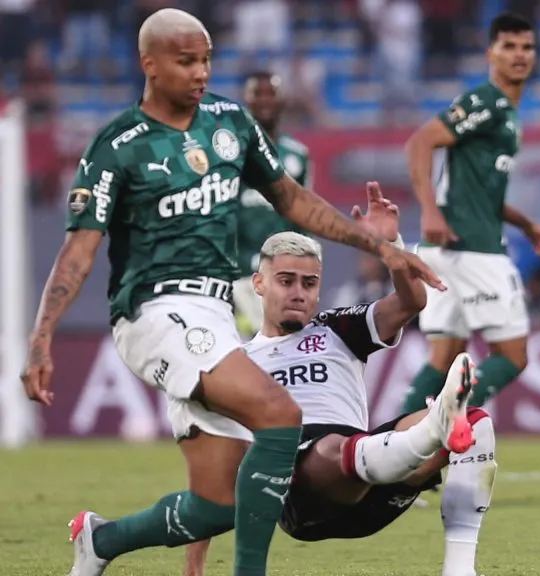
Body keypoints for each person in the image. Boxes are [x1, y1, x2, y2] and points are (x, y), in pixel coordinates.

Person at [18, 9, 442, 576]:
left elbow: (291, 199)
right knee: (279, 412)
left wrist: (378, 247)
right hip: (155, 311)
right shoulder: (118, 145)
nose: (200, 72)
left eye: (207, 60)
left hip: (216, 313)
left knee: (218, 505)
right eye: (186, 60)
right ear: (149, 63)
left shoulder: (229, 122)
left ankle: (101, 541)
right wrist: (42, 336)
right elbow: (79, 249)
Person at [184, 186, 494, 576]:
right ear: (258, 284)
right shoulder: (237, 363)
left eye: (309, 283)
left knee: (477, 423)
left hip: (370, 483)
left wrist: (392, 246)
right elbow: (213, 467)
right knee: (337, 446)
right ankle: (433, 428)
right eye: (286, 280)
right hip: (302, 495)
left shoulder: (337, 329)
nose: (299, 293)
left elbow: (412, 302)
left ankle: (460, 568)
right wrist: (194, 563)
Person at [401, 12, 540, 413]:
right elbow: (420, 142)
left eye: (527, 47)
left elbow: (482, 193)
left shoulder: (507, 114)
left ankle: (392, 451)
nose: (519, 55)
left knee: (443, 356)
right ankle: (446, 422)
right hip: (473, 249)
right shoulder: (486, 101)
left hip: (450, 248)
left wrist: (527, 225)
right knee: (512, 355)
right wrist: (430, 211)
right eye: (509, 46)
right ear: (491, 52)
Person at [234, 70, 312, 338]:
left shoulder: (297, 155)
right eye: (258, 93)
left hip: (283, 276)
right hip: (240, 275)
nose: (265, 100)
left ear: (283, 100)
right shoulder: (231, 155)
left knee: (281, 358)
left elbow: (304, 220)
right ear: (247, 100)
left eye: (272, 93)